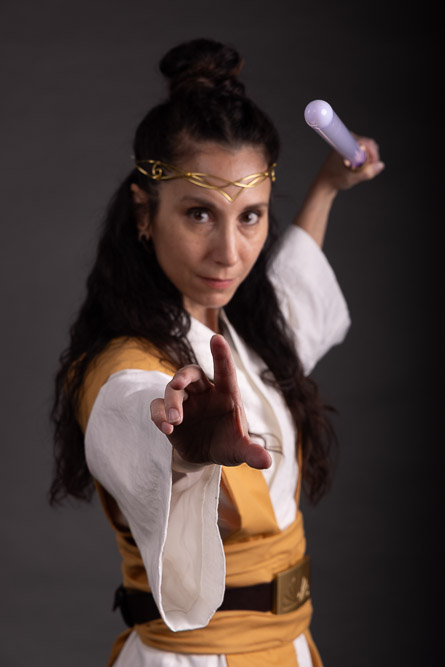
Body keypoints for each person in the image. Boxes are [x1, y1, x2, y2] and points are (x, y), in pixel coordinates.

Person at [50, 38, 384, 667]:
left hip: (290, 649)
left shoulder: (246, 336)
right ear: (144, 213)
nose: (230, 253)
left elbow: (295, 292)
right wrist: (179, 443)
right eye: (200, 214)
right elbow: (132, 408)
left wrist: (327, 187)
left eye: (251, 216)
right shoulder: (121, 366)